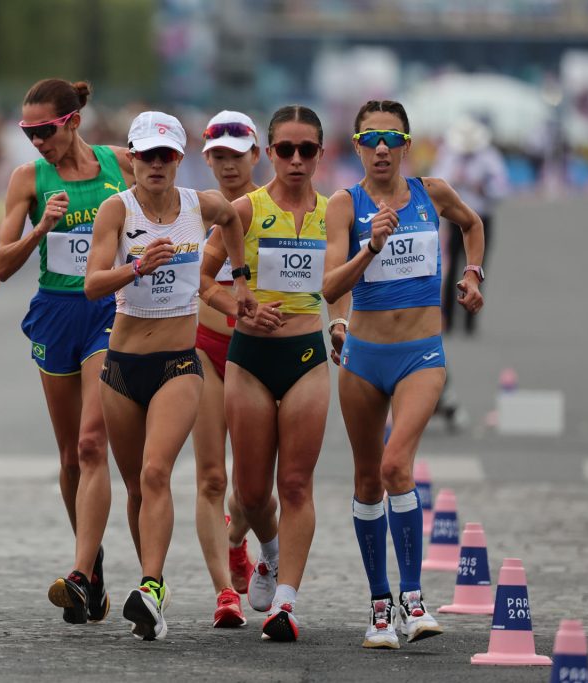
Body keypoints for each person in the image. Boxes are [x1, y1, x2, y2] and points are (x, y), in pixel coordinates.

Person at [84, 111, 254, 641]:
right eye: (146, 155)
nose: (155, 165)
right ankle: (149, 596)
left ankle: (153, 585)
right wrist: (137, 268)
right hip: (122, 365)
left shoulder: (197, 206)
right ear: (131, 158)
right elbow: (92, 286)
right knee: (137, 485)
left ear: (179, 159)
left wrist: (240, 275)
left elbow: (232, 218)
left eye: (165, 156)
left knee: (158, 473)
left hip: (180, 363)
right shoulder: (117, 209)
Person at [323, 100, 485, 650]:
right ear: (358, 148)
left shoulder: (431, 193)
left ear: (407, 144)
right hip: (363, 358)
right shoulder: (344, 206)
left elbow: (473, 223)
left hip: (421, 354)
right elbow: (328, 288)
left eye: (393, 138)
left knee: (397, 464)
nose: (383, 149)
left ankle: (413, 600)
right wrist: (371, 246)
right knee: (368, 478)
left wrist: (473, 275)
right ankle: (378, 605)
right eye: (371, 139)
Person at [0, 79, 134, 625]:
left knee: (92, 442)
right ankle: (92, 563)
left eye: (43, 130)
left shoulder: (120, 163)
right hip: (56, 312)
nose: (35, 141)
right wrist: (40, 228)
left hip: (109, 310)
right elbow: (1, 265)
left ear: (72, 120)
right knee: (71, 456)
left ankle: (77, 574)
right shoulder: (28, 178)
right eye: (27, 131)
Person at [201, 105, 343, 642]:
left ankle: (285, 601)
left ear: (320, 155)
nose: (297, 160)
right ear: (271, 152)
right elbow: (202, 279)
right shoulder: (242, 209)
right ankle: (267, 551)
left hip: (306, 355)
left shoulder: (333, 213)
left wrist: (341, 322)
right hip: (250, 359)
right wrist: (240, 306)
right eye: (286, 149)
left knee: (297, 483)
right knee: (254, 492)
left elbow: (340, 281)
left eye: (307, 150)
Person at [192, 110, 271, 628]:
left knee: (250, 486)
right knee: (211, 476)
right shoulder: (191, 211)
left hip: (258, 351)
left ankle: (238, 539)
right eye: (217, 155)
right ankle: (225, 590)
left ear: (255, 155)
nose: (226, 164)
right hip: (202, 346)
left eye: (235, 154)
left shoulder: (272, 208)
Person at [431, 116, 507, 336]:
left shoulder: (490, 158)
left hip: (481, 218)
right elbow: (436, 181)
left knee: (476, 269)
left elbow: (501, 189)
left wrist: (482, 187)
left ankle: (470, 321)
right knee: (451, 267)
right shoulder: (448, 155)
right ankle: (448, 318)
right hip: (455, 219)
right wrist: (454, 181)